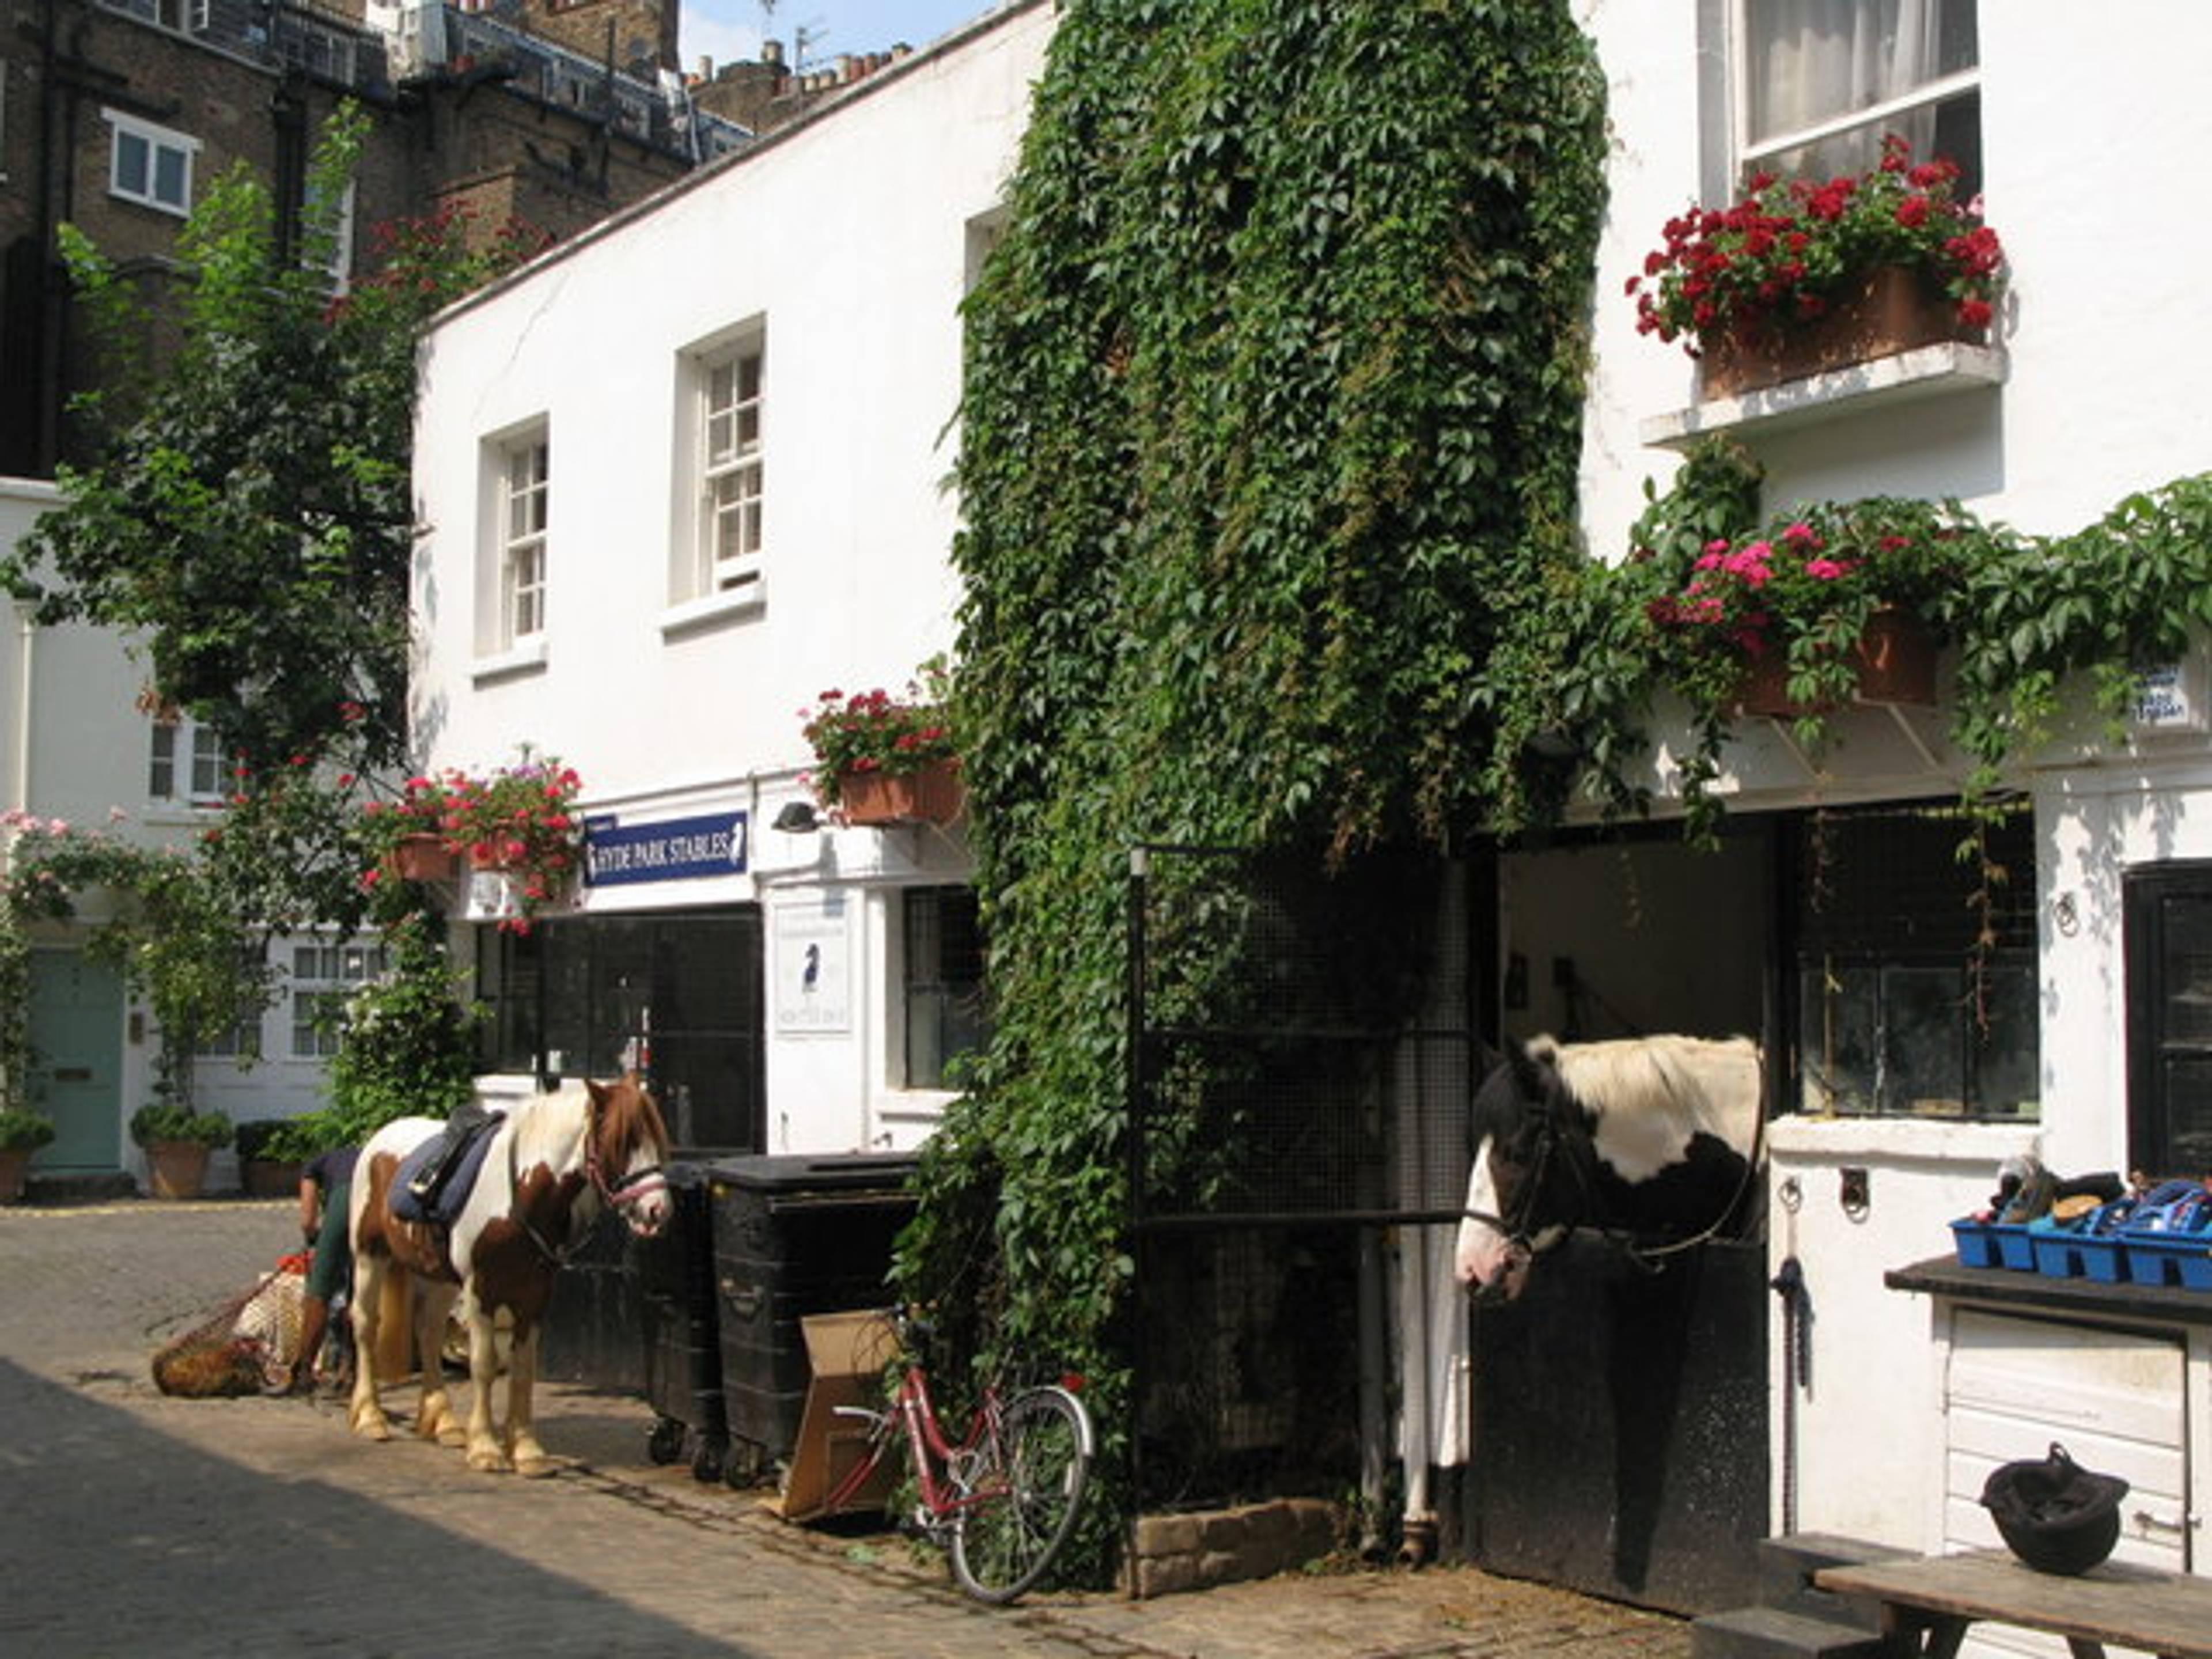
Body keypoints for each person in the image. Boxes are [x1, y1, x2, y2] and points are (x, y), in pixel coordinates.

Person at [282, 1143, 358, 1395]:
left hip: (347, 1196)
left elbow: (307, 1221)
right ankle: (351, 1371)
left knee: (320, 1290)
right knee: (358, 1293)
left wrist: (317, 1240)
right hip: (378, 1197)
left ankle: (303, 1372)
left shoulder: (314, 1166)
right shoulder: (365, 1154)